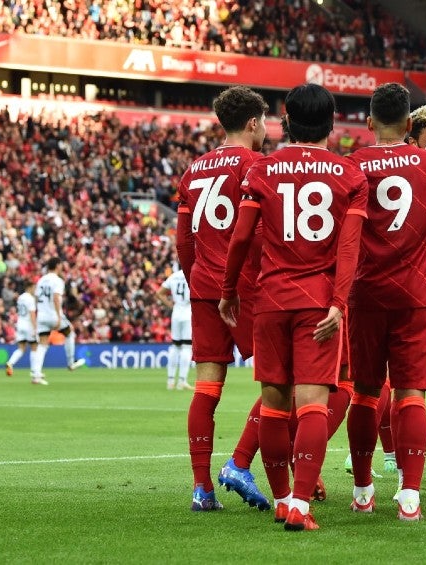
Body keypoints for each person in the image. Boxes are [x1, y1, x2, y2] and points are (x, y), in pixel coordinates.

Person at [218, 83, 368, 532]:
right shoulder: (349, 175)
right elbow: (349, 248)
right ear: (332, 121)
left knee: (273, 403)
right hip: (318, 301)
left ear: (285, 120)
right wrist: (340, 302)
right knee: (314, 406)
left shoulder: (262, 169)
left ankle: (282, 499)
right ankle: (301, 504)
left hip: (271, 299)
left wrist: (229, 291)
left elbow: (242, 237)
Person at [345, 83, 426, 521]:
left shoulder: (354, 164)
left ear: (371, 122)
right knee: (411, 392)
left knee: (364, 392)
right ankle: (410, 496)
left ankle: (362, 492)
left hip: (366, 291)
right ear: (411, 124)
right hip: (417, 293)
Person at [175, 85, 271, 512]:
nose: (267, 129)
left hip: (203, 287)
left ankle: (201, 489)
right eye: (265, 121)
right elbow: (262, 232)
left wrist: (198, 281)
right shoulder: (256, 165)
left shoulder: (194, 169)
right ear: (253, 123)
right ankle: (239, 462)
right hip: (248, 288)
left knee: (207, 388)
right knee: (279, 382)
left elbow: (184, 242)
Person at [30, 257, 86, 385]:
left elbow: (37, 298)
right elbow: (56, 297)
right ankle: (71, 363)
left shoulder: (41, 280)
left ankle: (36, 375)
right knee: (69, 332)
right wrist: (58, 316)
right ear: (57, 266)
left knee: (43, 345)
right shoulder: (57, 280)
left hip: (42, 315)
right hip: (53, 314)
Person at [159, 269, 193, 391]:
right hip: (188, 311)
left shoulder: (174, 276)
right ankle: (182, 381)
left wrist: (170, 305)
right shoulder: (192, 274)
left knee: (175, 346)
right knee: (186, 347)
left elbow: (159, 293)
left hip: (176, 312)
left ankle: (170, 380)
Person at [5, 280, 37, 378]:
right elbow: (32, 314)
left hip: (20, 324)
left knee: (21, 348)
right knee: (34, 348)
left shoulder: (20, 298)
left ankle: (10, 363)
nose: (35, 290)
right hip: (28, 325)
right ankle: (34, 371)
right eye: (34, 287)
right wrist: (35, 328)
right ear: (30, 287)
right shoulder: (30, 299)